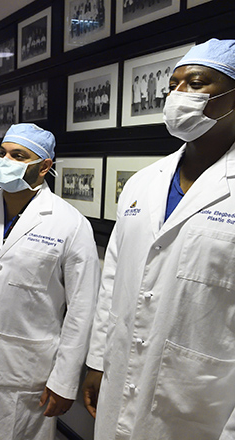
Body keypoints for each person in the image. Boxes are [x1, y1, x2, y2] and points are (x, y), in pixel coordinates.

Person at [82, 38, 235, 440]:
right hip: (121, 377)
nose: (179, 95)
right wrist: (98, 360)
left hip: (198, 402)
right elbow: (113, 278)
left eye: (197, 83)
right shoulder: (142, 183)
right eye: (174, 85)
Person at [0, 123, 100, 440]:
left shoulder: (70, 224)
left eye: (18, 155)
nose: (5, 161)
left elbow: (82, 311)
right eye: (3, 153)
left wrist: (65, 379)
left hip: (27, 368)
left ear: (44, 167)